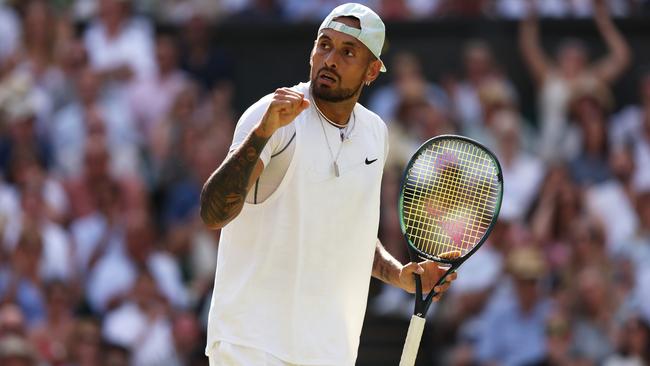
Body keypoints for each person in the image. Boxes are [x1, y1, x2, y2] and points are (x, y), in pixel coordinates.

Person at [199, 3, 456, 365]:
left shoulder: (374, 134)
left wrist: (398, 274)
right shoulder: (270, 116)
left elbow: (354, 234)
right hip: (252, 342)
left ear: (371, 71)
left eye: (347, 51)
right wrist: (261, 135)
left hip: (329, 351)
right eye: (324, 45)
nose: (330, 59)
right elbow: (213, 214)